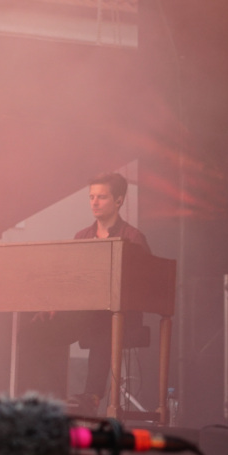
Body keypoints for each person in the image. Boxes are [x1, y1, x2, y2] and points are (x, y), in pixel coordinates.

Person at [69, 171, 151, 414]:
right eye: (91, 197)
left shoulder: (133, 238)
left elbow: (144, 283)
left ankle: (92, 396)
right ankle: (41, 396)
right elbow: (70, 279)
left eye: (101, 197)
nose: (94, 202)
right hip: (85, 313)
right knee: (40, 327)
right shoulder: (81, 237)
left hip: (122, 317)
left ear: (119, 200)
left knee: (105, 320)